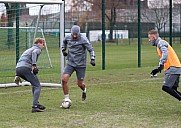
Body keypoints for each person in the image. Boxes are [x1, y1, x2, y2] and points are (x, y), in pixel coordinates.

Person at [61, 25, 96, 104]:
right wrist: (63, 50)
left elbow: (91, 49)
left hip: (81, 64)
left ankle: (84, 90)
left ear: (79, 33)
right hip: (70, 62)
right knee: (64, 79)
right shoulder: (67, 37)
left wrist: (92, 59)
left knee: (79, 84)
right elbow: (63, 43)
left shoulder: (83, 39)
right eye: (73, 34)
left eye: (76, 34)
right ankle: (66, 99)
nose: (74, 36)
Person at [148, 29, 181, 102]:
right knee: (173, 89)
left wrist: (160, 65)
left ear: (154, 37)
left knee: (166, 87)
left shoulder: (161, 43)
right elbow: (165, 58)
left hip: (173, 68)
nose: (149, 40)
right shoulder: (160, 44)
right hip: (175, 67)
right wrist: (158, 69)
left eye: (149, 38)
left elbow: (165, 55)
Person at [14, 38, 46, 113]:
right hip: (25, 68)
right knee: (37, 85)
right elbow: (34, 53)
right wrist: (34, 65)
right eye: (43, 44)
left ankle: (37, 103)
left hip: (18, 68)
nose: (43, 46)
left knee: (34, 84)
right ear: (39, 43)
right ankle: (35, 106)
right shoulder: (37, 49)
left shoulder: (29, 49)